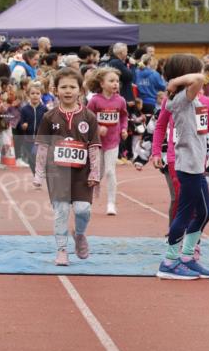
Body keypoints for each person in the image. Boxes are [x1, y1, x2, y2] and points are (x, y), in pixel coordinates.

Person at [156, 54, 209, 279]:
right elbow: (199, 78)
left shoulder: (195, 99)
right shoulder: (181, 98)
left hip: (198, 164)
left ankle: (187, 256)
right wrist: (176, 82)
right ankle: (169, 261)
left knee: (205, 212)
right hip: (187, 166)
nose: (203, 77)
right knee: (185, 213)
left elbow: (199, 80)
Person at [33, 68, 101, 266]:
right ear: (56, 90)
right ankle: (61, 250)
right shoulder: (49, 117)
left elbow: (94, 147)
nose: (68, 91)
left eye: (72, 87)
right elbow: (43, 146)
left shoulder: (89, 117)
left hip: (83, 173)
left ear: (80, 90)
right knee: (61, 211)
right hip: (58, 173)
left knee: (83, 210)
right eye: (63, 87)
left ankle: (79, 234)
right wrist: (39, 174)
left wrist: (95, 173)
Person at [86, 67, 129, 215]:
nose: (115, 84)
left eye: (117, 81)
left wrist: (123, 129)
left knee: (110, 172)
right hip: (96, 142)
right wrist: (97, 128)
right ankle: (88, 200)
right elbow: (88, 118)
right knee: (97, 172)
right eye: (111, 81)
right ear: (102, 83)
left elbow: (124, 117)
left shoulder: (121, 100)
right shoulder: (94, 100)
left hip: (113, 141)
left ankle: (111, 203)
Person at [18, 81, 48, 173]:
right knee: (31, 158)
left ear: (41, 95)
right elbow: (20, 123)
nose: (35, 95)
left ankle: (39, 172)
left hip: (40, 138)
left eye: (37, 93)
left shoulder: (44, 109)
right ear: (28, 95)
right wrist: (23, 126)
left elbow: (48, 123)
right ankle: (36, 174)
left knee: (37, 156)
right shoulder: (24, 109)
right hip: (28, 138)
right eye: (32, 93)